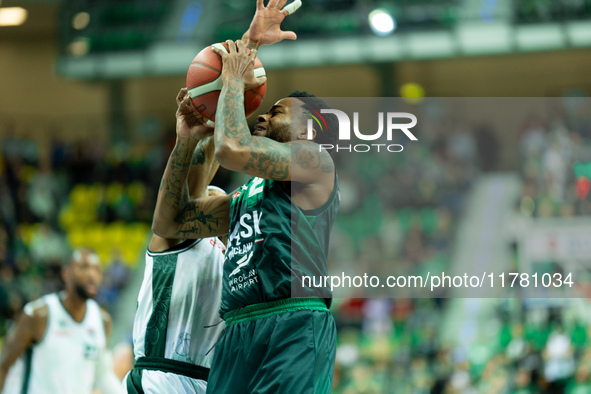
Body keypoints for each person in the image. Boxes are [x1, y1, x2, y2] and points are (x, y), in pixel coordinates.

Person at [153, 8, 340, 394]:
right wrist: (188, 139)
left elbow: (233, 148)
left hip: (293, 323)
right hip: (237, 330)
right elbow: (170, 223)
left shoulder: (314, 163)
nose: (264, 116)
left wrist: (236, 75)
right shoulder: (248, 195)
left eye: (277, 111)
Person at [123, 88, 227, 394]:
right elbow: (193, 187)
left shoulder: (236, 252)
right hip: (162, 375)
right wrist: (193, 135)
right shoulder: (174, 235)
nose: (213, 203)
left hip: (211, 381)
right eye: (209, 200)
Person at [0, 247, 123, 394]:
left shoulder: (103, 321)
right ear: (66, 273)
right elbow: (4, 365)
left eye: (97, 269)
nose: (92, 275)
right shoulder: (39, 315)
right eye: (84, 267)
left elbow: (103, 375)